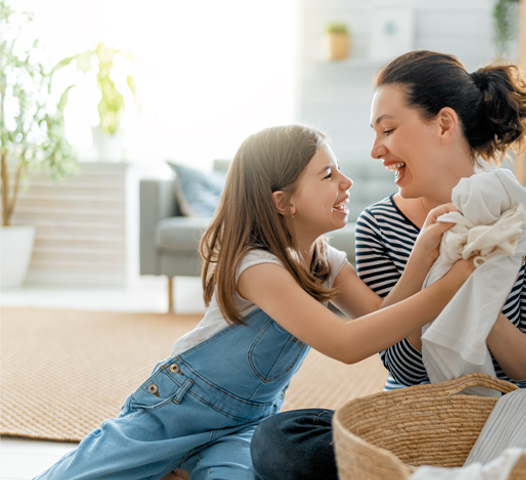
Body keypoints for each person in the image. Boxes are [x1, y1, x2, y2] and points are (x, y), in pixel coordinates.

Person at [251, 52, 526, 480]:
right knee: (281, 441)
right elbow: (404, 367)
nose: (376, 149)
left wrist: (481, 304)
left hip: (507, 421)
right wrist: (433, 268)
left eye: (388, 130)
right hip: (414, 424)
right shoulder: (379, 225)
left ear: (444, 124)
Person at [33, 124, 474, 480]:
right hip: (178, 409)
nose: (346, 182)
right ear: (284, 202)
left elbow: (381, 323)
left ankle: (180, 469)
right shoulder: (256, 266)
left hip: (246, 423)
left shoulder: (325, 260)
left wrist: (422, 255)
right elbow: (346, 344)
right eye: (327, 175)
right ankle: (170, 461)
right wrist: (450, 285)